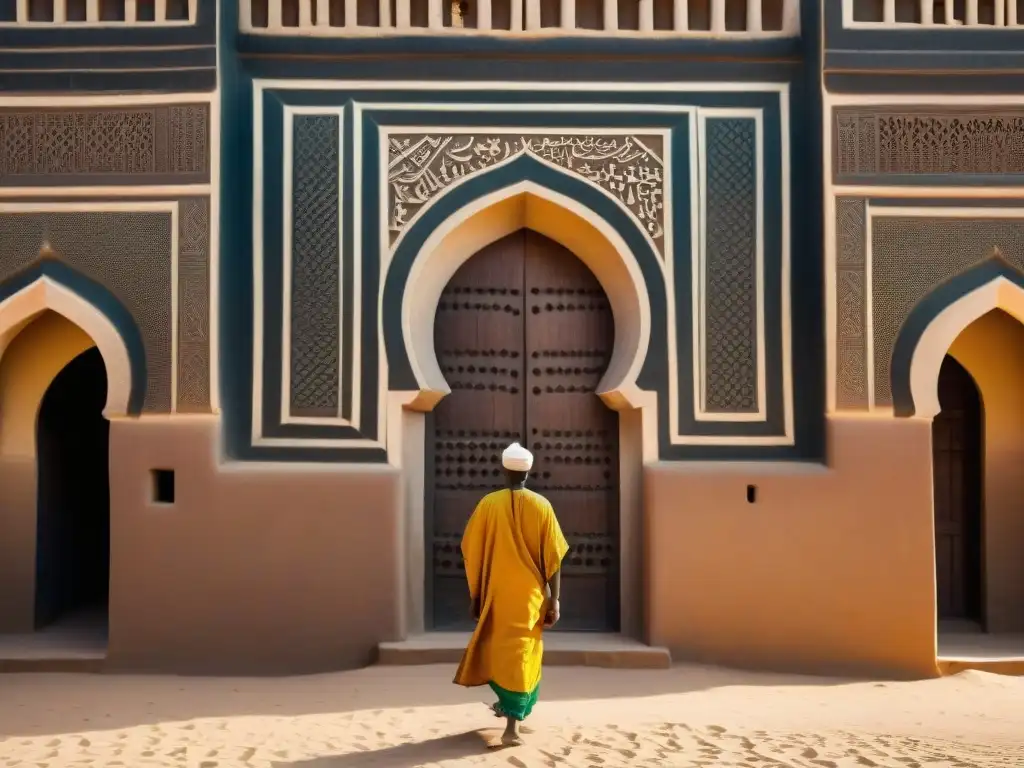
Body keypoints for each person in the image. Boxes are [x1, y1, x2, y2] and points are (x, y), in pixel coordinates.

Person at [453, 442, 569, 746]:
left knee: (500, 653)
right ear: (528, 471)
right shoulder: (542, 506)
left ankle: (510, 718)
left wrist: (476, 594)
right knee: (523, 655)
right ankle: (512, 722)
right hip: (530, 598)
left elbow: (471, 550)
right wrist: (554, 598)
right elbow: (554, 558)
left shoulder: (489, 504)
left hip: (497, 594)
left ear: (504, 470)